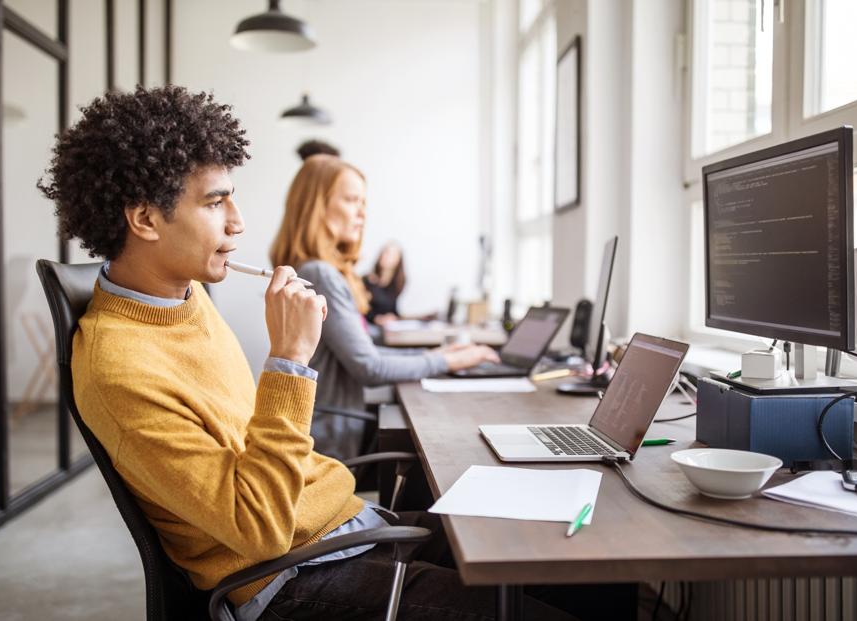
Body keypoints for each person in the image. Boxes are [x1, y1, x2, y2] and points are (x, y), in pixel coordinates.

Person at [38, 86, 588, 621]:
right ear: (145, 219)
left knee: (570, 564)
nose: (238, 221)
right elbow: (259, 530)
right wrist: (290, 361)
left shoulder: (184, 297)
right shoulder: (119, 367)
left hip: (341, 527)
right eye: (214, 201)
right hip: (290, 577)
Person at [270, 155, 500, 459]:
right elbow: (369, 367)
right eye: (352, 200)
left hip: (330, 429)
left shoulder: (313, 269)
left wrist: (435, 355)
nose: (362, 214)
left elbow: (363, 351)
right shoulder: (320, 273)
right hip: (328, 440)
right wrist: (445, 362)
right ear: (317, 207)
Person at [363, 241, 405, 326]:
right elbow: (362, 308)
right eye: (384, 252)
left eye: (391, 254)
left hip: (388, 325)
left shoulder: (398, 283)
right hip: (370, 324)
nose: (385, 256)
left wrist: (393, 317)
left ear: (398, 260)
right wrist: (376, 319)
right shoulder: (367, 280)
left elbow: (393, 308)